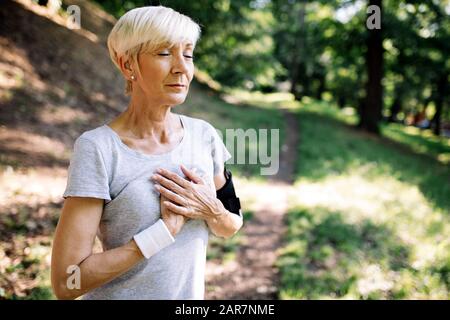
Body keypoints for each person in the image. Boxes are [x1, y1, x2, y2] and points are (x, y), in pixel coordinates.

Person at [51, 5, 243, 300]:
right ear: (128, 65)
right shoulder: (98, 149)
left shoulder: (204, 136)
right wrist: (160, 234)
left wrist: (212, 209)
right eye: (165, 53)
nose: (182, 67)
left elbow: (231, 223)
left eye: (188, 54)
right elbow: (67, 282)